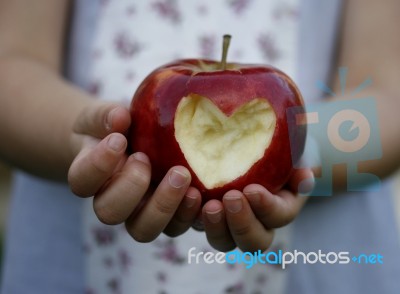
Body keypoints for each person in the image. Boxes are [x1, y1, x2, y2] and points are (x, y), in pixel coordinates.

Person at [0, 0, 399, 293]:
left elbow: (389, 97)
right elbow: (10, 67)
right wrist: (89, 142)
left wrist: (301, 158)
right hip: (73, 258)